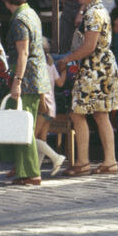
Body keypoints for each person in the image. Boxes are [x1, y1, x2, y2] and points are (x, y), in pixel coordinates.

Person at [55, 0, 118, 175]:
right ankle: (110, 161)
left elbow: (89, 46)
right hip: (103, 67)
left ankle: (83, 162)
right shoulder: (97, 9)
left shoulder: (93, 13)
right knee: (101, 114)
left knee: (77, 113)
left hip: (94, 69)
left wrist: (67, 59)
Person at [0, 0, 50, 185]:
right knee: (24, 124)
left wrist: (16, 81)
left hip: (27, 79)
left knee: (24, 127)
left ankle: (31, 173)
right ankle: (22, 169)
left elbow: (23, 54)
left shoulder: (19, 20)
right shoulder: (31, 13)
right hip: (38, 76)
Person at [33, 36, 68, 177]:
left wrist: (41, 102)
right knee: (42, 139)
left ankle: (55, 157)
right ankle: (36, 170)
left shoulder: (38, 64)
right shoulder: (50, 63)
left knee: (30, 138)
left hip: (42, 104)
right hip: (51, 104)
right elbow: (60, 83)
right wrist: (64, 70)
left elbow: (40, 85)